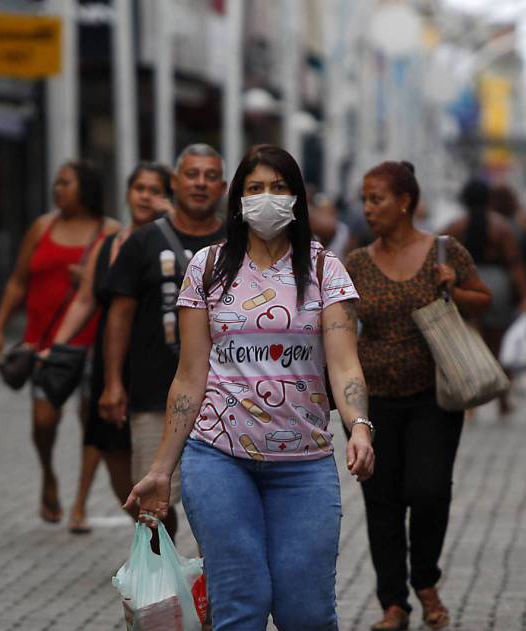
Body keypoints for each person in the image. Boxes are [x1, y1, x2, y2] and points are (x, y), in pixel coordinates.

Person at [126, 144, 375, 629]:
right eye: (255, 188)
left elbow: (345, 365)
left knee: (306, 611)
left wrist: (360, 427)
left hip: (304, 465)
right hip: (217, 459)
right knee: (240, 603)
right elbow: (190, 375)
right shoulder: (207, 267)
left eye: (279, 188)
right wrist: (161, 469)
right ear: (237, 199)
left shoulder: (326, 271)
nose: (267, 199)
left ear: (297, 198)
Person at [346, 161, 492, 631]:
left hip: (434, 394)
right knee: (381, 500)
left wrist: (455, 290)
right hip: (375, 402)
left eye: (377, 199)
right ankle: (395, 602)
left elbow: (485, 299)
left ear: (404, 201)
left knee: (428, 490)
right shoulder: (357, 262)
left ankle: (425, 579)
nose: (368, 208)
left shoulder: (444, 252)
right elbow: (341, 324)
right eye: (365, 199)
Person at [98, 144, 227, 541]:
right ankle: (163, 589)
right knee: (152, 505)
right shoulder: (143, 243)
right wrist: (113, 382)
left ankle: (217, 588)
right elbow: (118, 316)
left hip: (226, 397)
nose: (200, 184)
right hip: (155, 393)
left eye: (209, 176)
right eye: (192, 175)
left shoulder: (239, 243)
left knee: (223, 507)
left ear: (222, 187)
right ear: (175, 182)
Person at [0, 161, 119, 526]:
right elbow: (17, 280)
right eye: (56, 183)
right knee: (44, 420)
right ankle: (48, 474)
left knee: (89, 422)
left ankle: (80, 502)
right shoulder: (42, 227)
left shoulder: (111, 232)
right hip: (46, 346)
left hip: (93, 344)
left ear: (87, 188)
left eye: (66, 183)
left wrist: (92, 280)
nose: (57, 189)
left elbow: (122, 290)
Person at [44, 162, 172, 532]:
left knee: (153, 464)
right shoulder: (107, 243)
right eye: (139, 188)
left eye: (154, 189)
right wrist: (56, 346)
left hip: (156, 365)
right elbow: (85, 301)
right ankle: (154, 537)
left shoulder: (174, 241)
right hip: (112, 363)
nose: (145, 196)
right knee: (117, 463)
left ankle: (161, 544)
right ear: (128, 193)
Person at [444, 180, 526, 417]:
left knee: (468, 344)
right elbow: (515, 264)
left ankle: (471, 404)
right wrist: (525, 296)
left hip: (465, 284)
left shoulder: (455, 226)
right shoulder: (502, 227)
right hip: (497, 285)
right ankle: (502, 400)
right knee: (497, 346)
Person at [310, 192, 352, 257]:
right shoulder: (314, 236)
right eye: (321, 213)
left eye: (327, 212)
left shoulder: (344, 232)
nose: (324, 217)